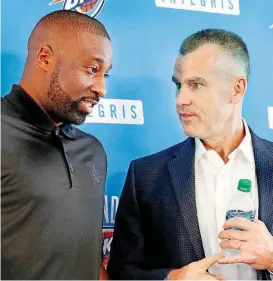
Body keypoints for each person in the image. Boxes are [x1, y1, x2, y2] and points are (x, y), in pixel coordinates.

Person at [107, 29, 273, 280]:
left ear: (236, 89)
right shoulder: (145, 176)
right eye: (178, 85)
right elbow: (121, 273)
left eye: (196, 84)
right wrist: (172, 279)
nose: (181, 99)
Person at [1, 10, 112, 280]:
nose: (101, 89)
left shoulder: (93, 151)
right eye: (92, 69)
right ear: (45, 58)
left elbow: (87, 256)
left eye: (105, 75)